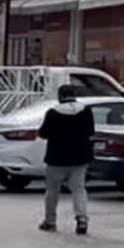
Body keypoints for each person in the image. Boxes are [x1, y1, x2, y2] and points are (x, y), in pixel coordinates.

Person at [37, 84, 94, 235]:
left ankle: (50, 221)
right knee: (79, 189)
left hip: (57, 158)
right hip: (80, 157)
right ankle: (81, 219)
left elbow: (43, 133)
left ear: (60, 96)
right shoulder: (86, 111)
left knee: (52, 191)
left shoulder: (53, 113)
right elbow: (90, 131)